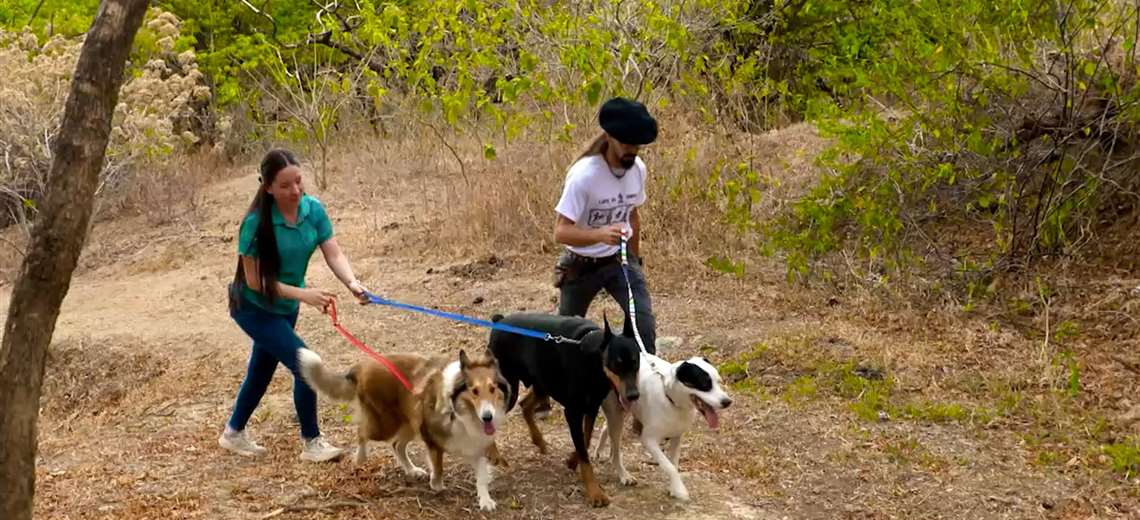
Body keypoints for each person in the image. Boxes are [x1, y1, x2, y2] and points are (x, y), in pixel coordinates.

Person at [218, 148, 370, 462]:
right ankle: (312, 443)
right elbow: (255, 282)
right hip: (253, 308)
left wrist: (352, 283)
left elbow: (333, 252)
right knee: (307, 365)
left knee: (260, 371)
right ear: (268, 187)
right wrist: (304, 295)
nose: (296, 191)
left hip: (284, 308)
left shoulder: (313, 210)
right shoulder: (255, 224)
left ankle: (233, 433)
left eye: (299, 181)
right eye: (286, 186)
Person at [535, 97, 661, 417]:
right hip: (580, 265)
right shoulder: (584, 176)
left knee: (643, 323)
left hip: (618, 262)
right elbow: (561, 232)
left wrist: (634, 260)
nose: (633, 149)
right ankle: (543, 391)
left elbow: (633, 215)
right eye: (627, 142)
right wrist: (598, 235)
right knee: (564, 337)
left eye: (638, 143)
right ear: (609, 138)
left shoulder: (638, 171)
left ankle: (645, 398)